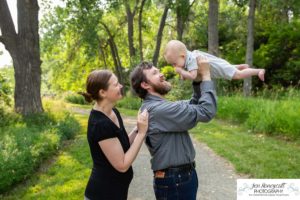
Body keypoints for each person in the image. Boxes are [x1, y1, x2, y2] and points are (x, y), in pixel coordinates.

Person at [130, 57, 217, 200]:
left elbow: (192, 104)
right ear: (145, 84)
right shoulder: (159, 110)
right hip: (176, 180)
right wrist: (206, 76)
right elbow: (206, 111)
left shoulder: (158, 106)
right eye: (155, 73)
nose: (162, 74)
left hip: (177, 178)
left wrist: (197, 80)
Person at [80, 69, 149, 200]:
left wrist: (137, 128)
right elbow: (122, 165)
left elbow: (122, 146)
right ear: (102, 92)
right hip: (102, 195)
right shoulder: (100, 124)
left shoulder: (113, 112)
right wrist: (141, 133)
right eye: (116, 84)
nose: (121, 86)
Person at [164, 39, 265, 81]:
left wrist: (181, 71)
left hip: (217, 67)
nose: (174, 66)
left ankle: (258, 71)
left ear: (182, 56)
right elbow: (190, 73)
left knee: (238, 75)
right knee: (227, 67)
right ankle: (241, 66)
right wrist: (183, 74)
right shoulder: (188, 57)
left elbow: (193, 75)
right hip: (218, 65)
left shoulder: (191, 60)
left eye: (174, 63)